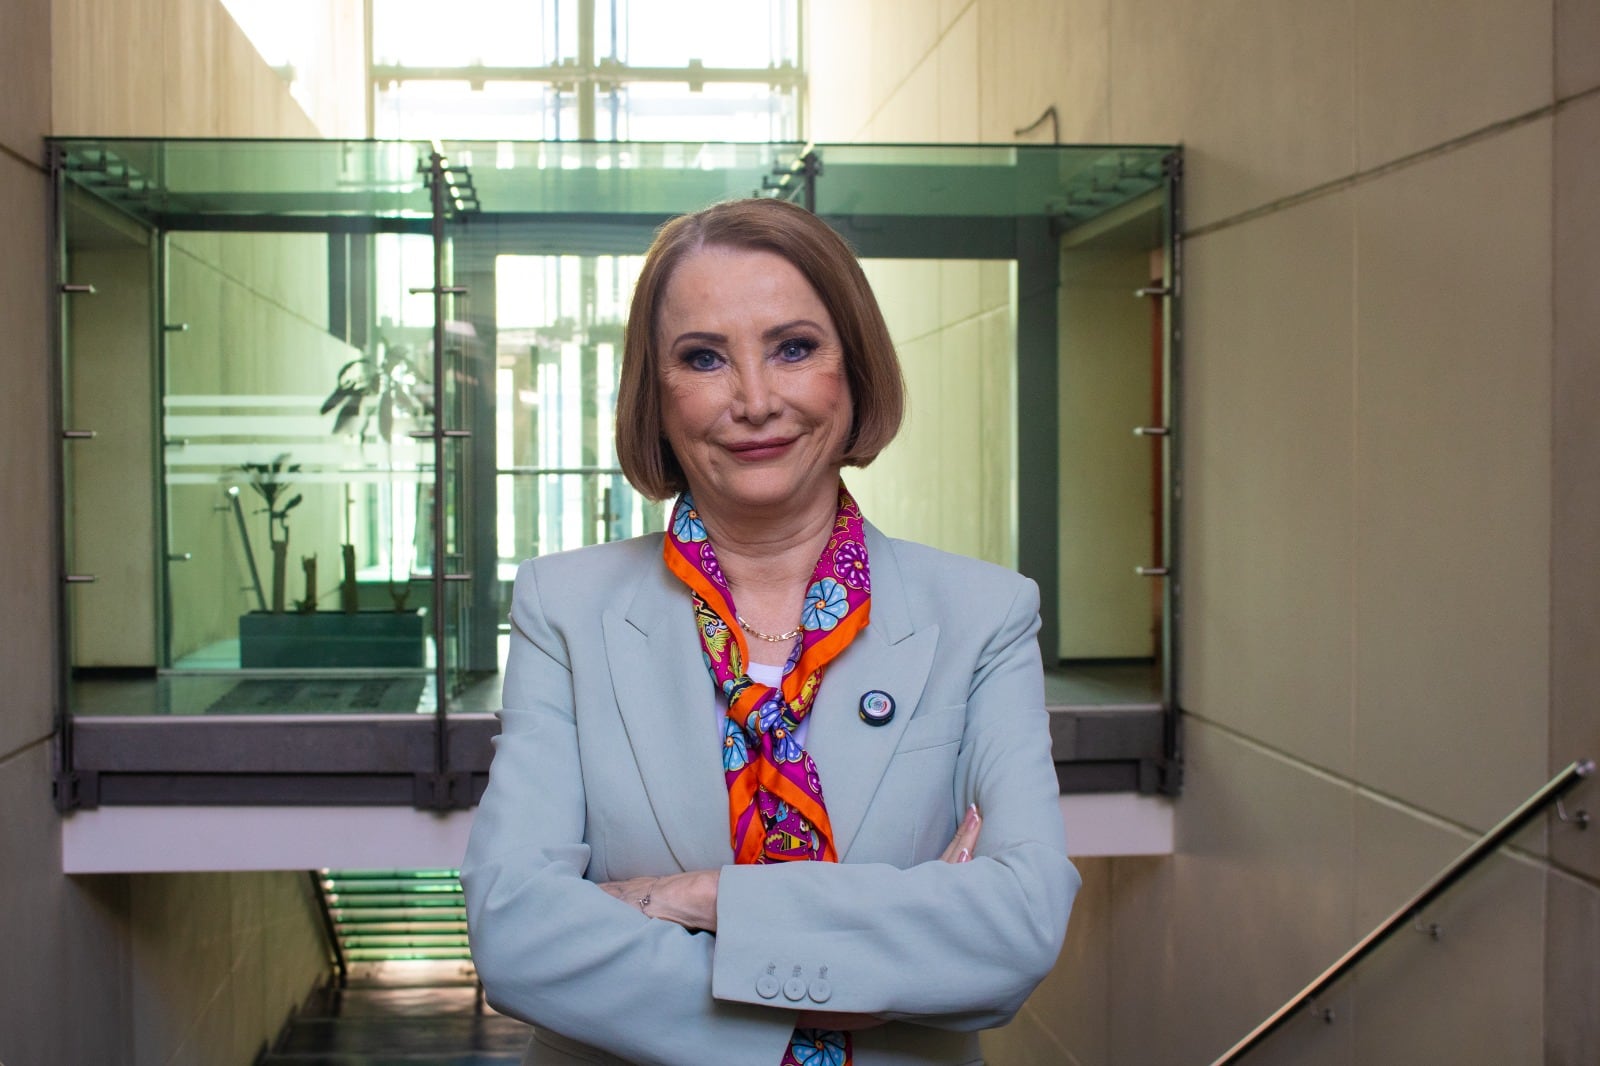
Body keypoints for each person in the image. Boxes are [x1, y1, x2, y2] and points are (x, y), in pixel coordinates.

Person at [461, 197, 1079, 1066]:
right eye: (704, 358)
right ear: (657, 391)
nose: (754, 400)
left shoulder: (984, 616)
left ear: (852, 368)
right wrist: (867, 974)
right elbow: (516, 935)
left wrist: (701, 900)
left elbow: (1016, 930)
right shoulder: (564, 609)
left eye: (793, 348)